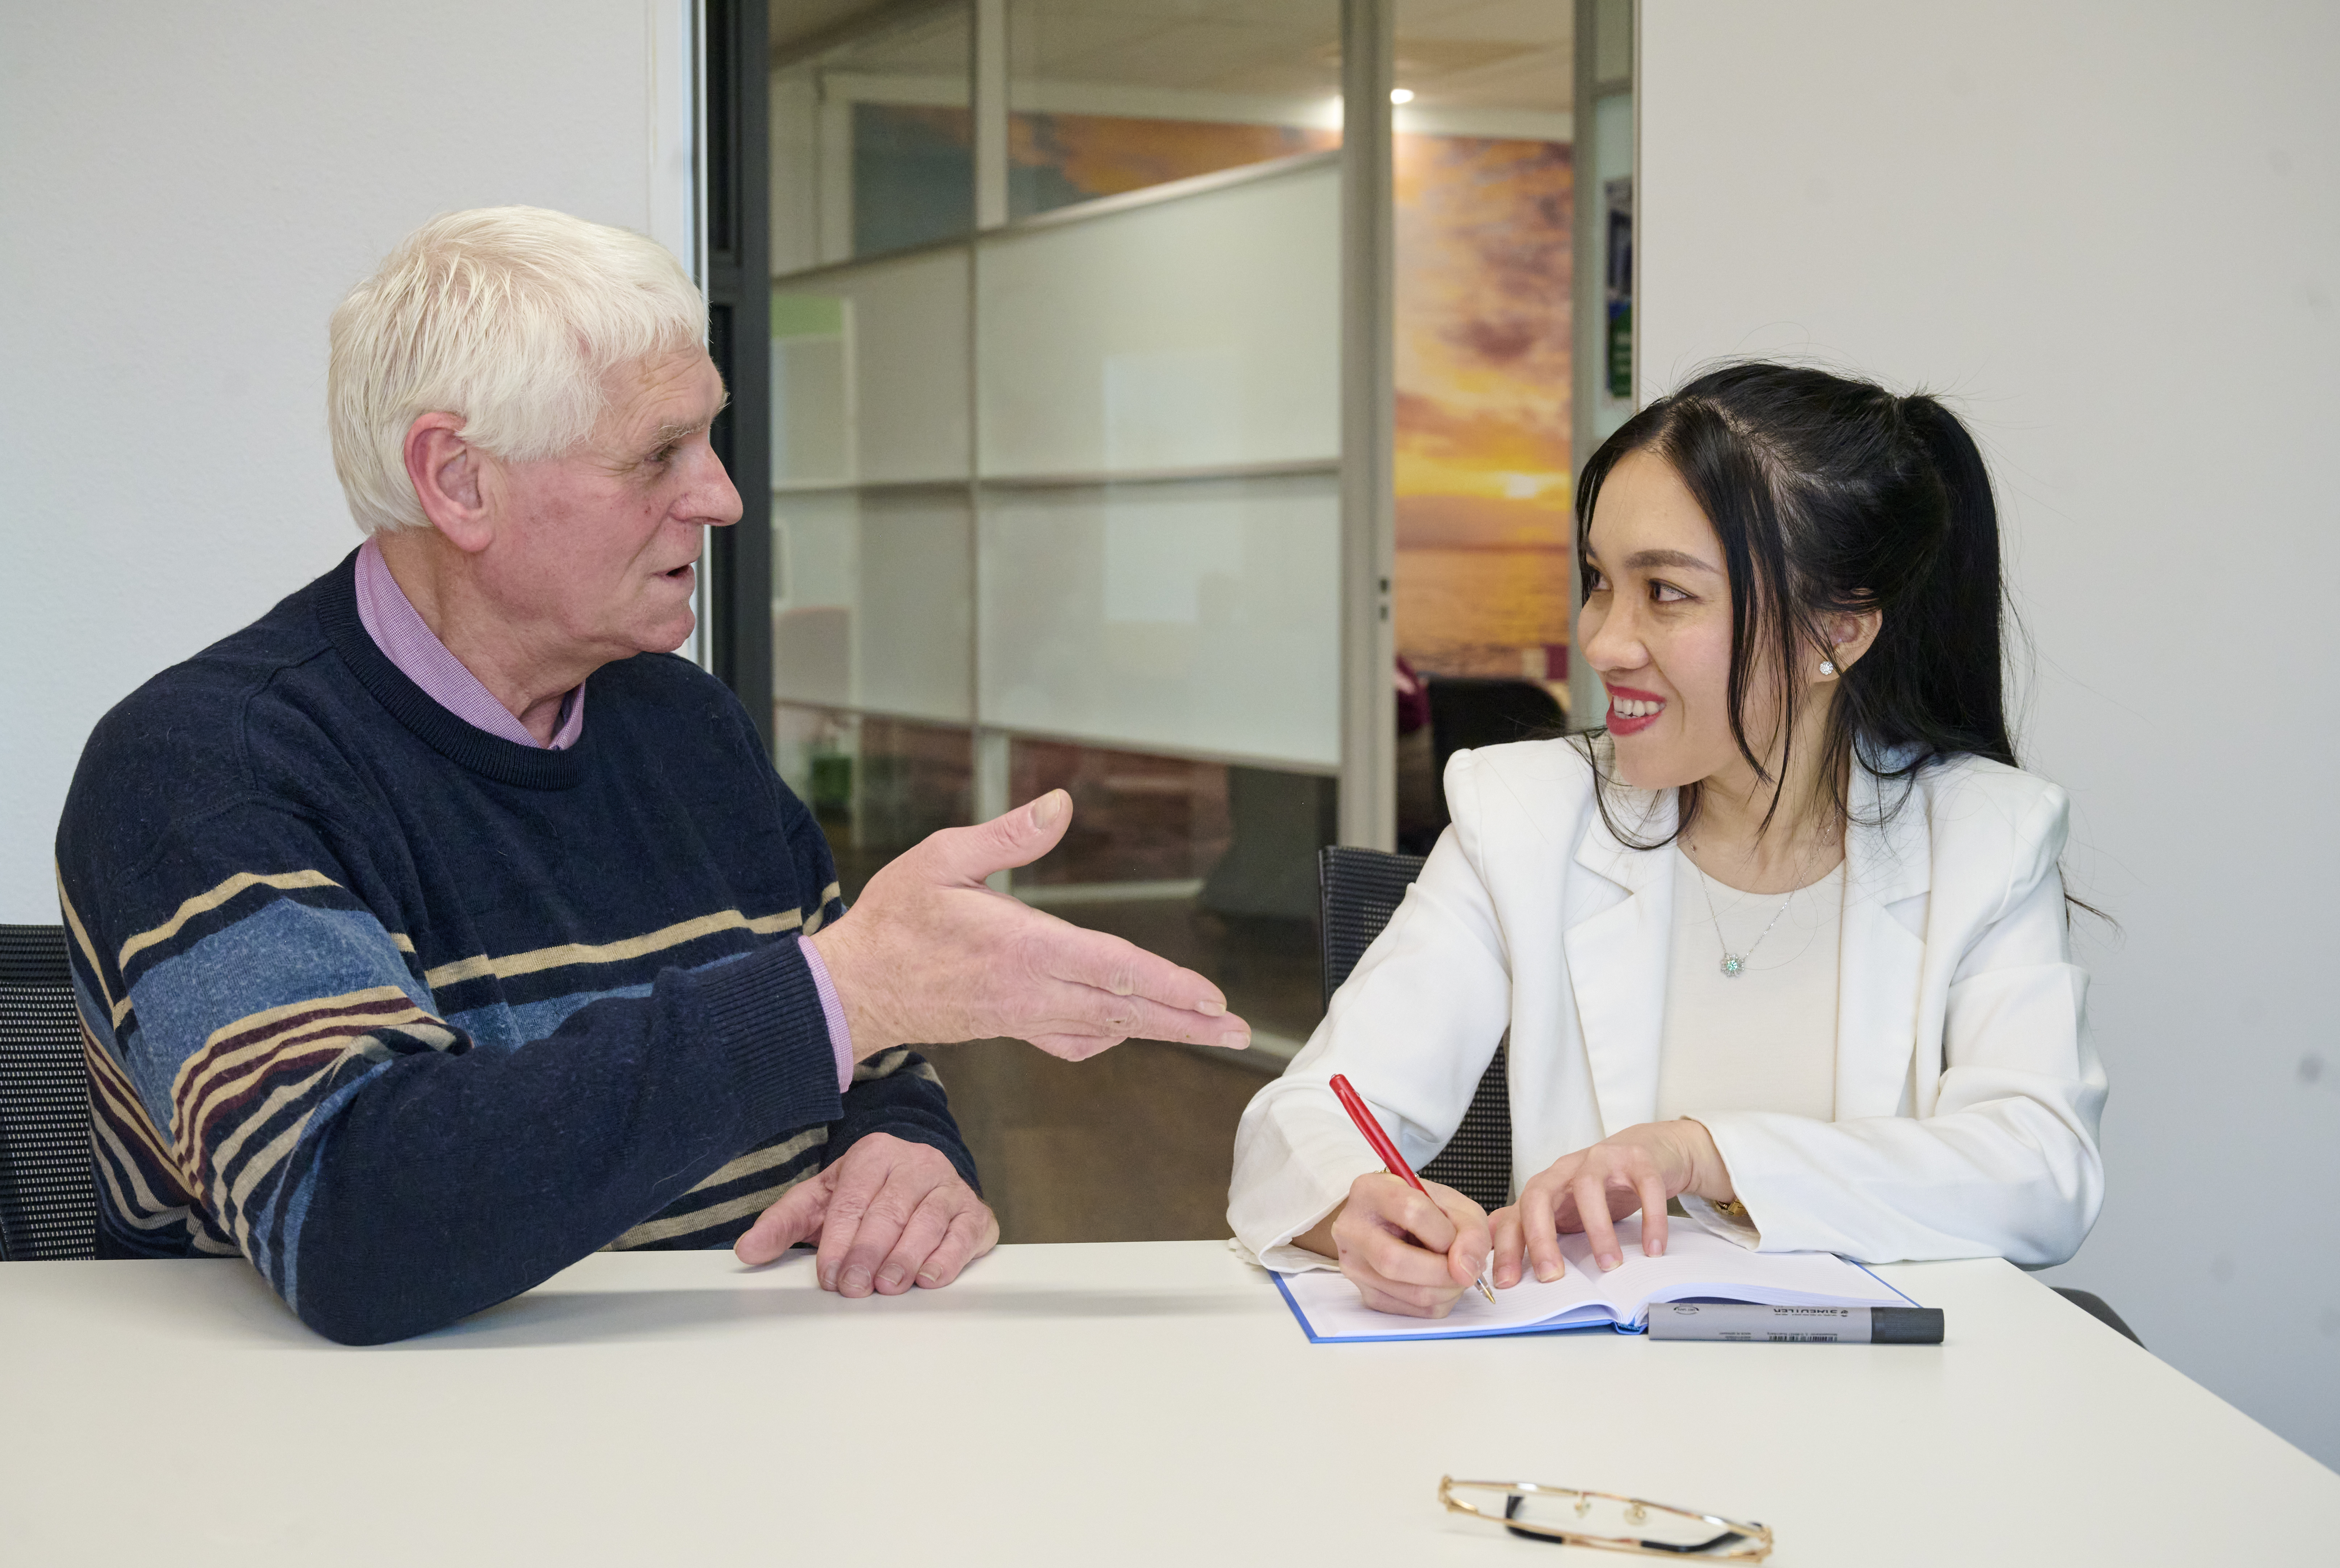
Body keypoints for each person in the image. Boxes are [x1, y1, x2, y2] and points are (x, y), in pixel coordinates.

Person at [54, 207, 1249, 1346]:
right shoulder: (203, 768)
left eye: (708, 438)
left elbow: (860, 1052)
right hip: (352, 1447)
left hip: (723, 1395)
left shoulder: (683, 724)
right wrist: (845, 996)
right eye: (658, 454)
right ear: (458, 481)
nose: (720, 497)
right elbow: (355, 1216)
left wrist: (907, 1155)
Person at [1228, 362, 2106, 1317]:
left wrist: (1699, 1153)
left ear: (1837, 633)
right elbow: (1304, 1118)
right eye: (1600, 582)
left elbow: (2041, 1173)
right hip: (1595, 1390)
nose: (1603, 640)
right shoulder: (1523, 813)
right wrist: (1352, 1210)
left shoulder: (1988, 837)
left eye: (1667, 593)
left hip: (1877, 1394)